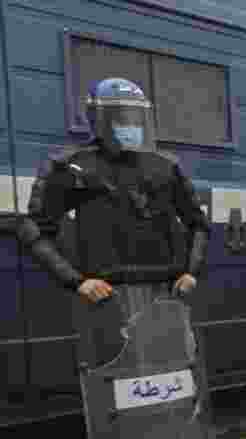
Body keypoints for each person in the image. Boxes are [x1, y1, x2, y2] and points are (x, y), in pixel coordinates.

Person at [18, 77, 208, 304]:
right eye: (121, 119)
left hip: (166, 289)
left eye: (137, 119)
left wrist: (191, 271)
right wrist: (77, 281)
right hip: (106, 295)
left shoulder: (165, 165)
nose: (132, 126)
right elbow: (34, 230)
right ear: (101, 120)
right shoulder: (73, 166)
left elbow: (198, 223)